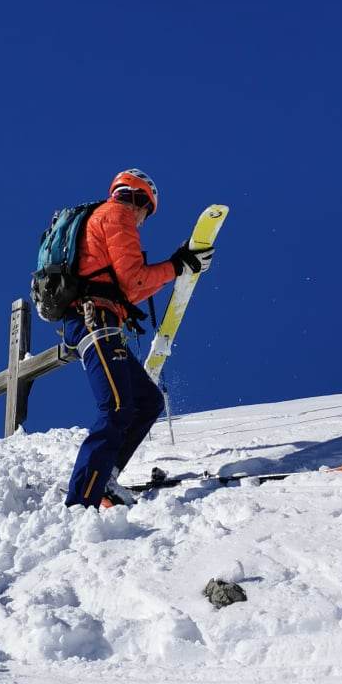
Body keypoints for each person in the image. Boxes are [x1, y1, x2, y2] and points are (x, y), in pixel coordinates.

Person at [62, 169, 210, 508]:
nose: (143, 221)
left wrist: (176, 267)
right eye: (147, 212)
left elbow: (130, 289)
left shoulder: (107, 218)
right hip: (94, 319)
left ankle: (106, 478)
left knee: (148, 402)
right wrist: (175, 267)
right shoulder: (117, 214)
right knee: (116, 406)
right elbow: (133, 281)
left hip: (101, 319)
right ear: (140, 199)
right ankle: (83, 499)